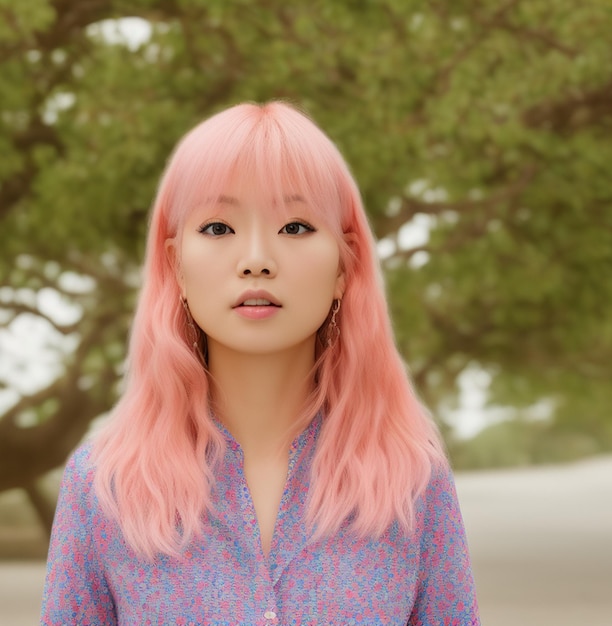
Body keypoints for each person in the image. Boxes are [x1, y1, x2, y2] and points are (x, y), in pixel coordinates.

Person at [41, 101, 480, 625]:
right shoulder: (102, 485)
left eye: (295, 227)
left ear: (346, 264)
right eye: (219, 228)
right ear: (175, 263)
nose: (256, 258)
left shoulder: (413, 479)